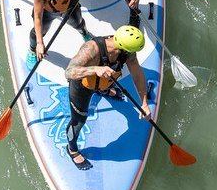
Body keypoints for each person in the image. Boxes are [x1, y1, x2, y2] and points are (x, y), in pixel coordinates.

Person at [62, 25, 151, 170]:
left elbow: (137, 73)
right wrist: (95, 69)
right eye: (132, 51)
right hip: (82, 86)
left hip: (103, 82)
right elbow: (69, 72)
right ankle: (72, 149)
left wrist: (144, 102)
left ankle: (102, 91)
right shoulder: (91, 49)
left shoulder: (127, 52)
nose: (133, 54)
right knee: (78, 120)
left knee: (109, 76)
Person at [29, 0, 98, 67]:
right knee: (38, 33)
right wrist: (40, 43)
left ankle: (85, 34)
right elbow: (37, 17)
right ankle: (32, 50)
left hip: (70, 8)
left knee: (79, 24)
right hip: (48, 13)